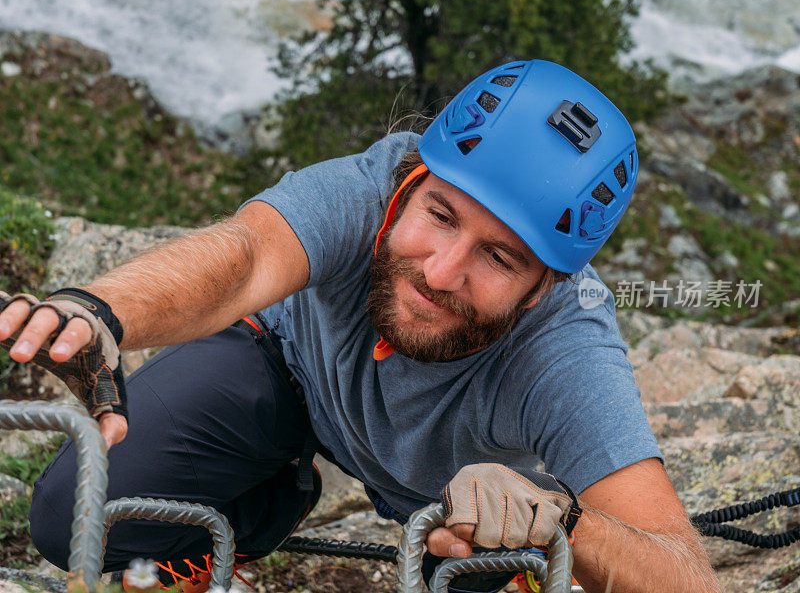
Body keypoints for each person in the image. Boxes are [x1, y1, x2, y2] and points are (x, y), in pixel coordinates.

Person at [0, 60, 720, 593]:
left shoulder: (566, 347)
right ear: (409, 182)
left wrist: (562, 522)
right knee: (69, 516)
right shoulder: (368, 188)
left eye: (499, 257)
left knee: (490, 556)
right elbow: (248, 256)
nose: (441, 271)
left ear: (543, 291)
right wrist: (99, 307)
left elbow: (683, 573)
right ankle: (273, 498)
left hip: (456, 502)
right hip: (287, 376)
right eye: (440, 215)